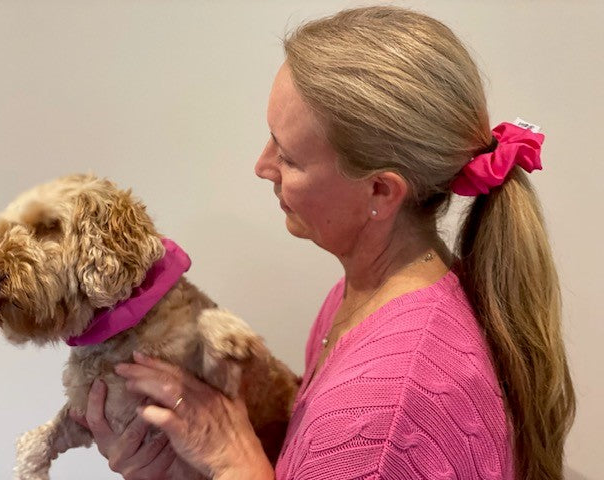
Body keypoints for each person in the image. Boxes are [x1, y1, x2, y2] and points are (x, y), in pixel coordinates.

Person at [70, 6, 575, 480]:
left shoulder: (386, 415)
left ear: (381, 190)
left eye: (288, 158)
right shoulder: (361, 294)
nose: (262, 166)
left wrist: (236, 463)